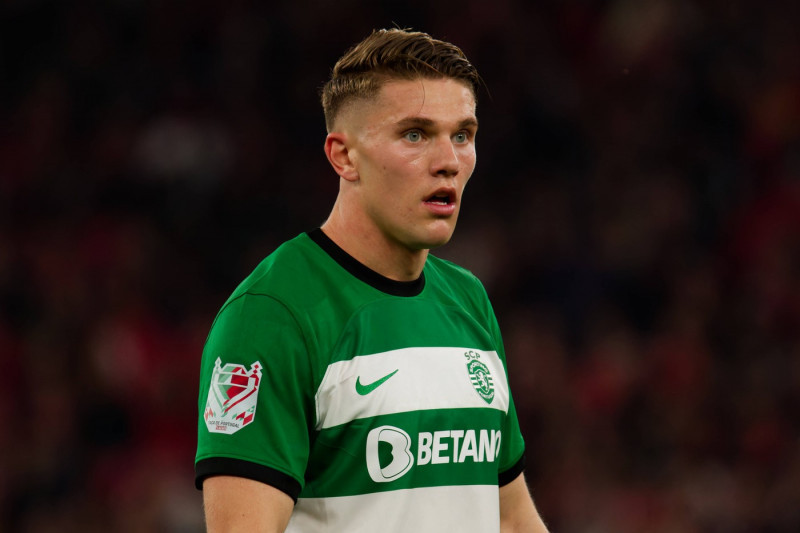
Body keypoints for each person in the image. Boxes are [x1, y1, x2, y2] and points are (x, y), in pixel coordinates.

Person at [195, 28, 550, 532]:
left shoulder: (468, 299)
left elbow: (512, 520)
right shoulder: (273, 315)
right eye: (414, 134)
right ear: (343, 156)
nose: (447, 161)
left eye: (462, 135)